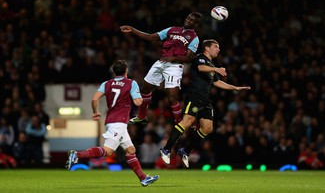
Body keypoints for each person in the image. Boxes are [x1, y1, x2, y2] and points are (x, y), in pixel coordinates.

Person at [66, 60, 159, 187]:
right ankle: (77, 154)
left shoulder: (107, 83)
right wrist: (144, 96)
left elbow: (94, 99)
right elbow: (138, 102)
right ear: (126, 70)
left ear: (114, 72)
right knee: (108, 151)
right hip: (119, 123)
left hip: (112, 120)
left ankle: (143, 178)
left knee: (131, 150)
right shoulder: (131, 83)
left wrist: (96, 112)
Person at [159, 39, 251, 167]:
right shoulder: (200, 58)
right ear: (207, 48)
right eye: (215, 46)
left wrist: (235, 88)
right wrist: (217, 69)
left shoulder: (211, 64)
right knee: (188, 121)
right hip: (194, 96)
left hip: (205, 100)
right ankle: (167, 149)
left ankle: (185, 150)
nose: (218, 49)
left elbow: (217, 82)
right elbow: (201, 68)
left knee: (207, 128)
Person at [120, 12, 203, 126]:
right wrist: (133, 29)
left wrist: (173, 57)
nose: (188, 20)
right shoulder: (172, 29)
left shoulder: (194, 38)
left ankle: (179, 124)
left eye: (192, 20)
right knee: (145, 89)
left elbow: (189, 58)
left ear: (196, 24)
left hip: (175, 66)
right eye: (188, 18)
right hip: (161, 62)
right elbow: (151, 37)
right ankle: (142, 116)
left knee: (172, 98)